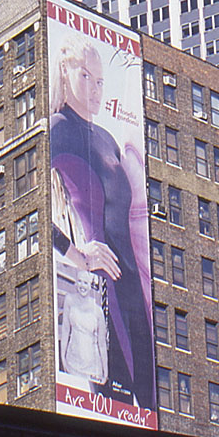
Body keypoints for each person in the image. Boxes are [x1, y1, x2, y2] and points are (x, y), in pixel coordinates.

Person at [51, 35, 154, 408]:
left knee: (150, 410)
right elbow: (26, 211)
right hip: (102, 294)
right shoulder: (57, 128)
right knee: (117, 415)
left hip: (137, 293)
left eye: (99, 81)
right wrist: (76, 254)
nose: (95, 90)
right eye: (85, 77)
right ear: (65, 73)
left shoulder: (107, 138)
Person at [60, 270, 108, 384]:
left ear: (90, 286)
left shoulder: (98, 311)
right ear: (76, 283)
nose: (82, 285)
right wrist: (62, 358)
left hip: (93, 368)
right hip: (72, 363)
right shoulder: (69, 300)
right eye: (80, 281)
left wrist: (105, 373)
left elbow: (102, 344)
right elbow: (65, 330)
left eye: (85, 282)